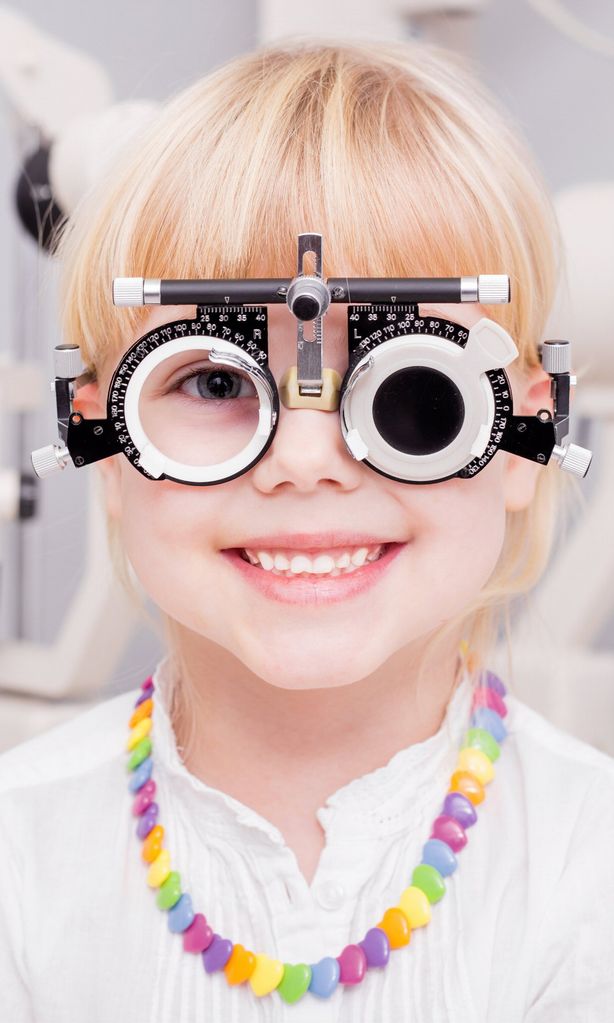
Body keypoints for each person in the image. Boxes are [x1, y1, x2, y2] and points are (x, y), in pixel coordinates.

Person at [1, 37, 613, 1022]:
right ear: (101, 439)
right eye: (211, 379)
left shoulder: (589, 875)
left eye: (409, 382)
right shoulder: (20, 854)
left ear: (517, 437)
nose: (303, 457)